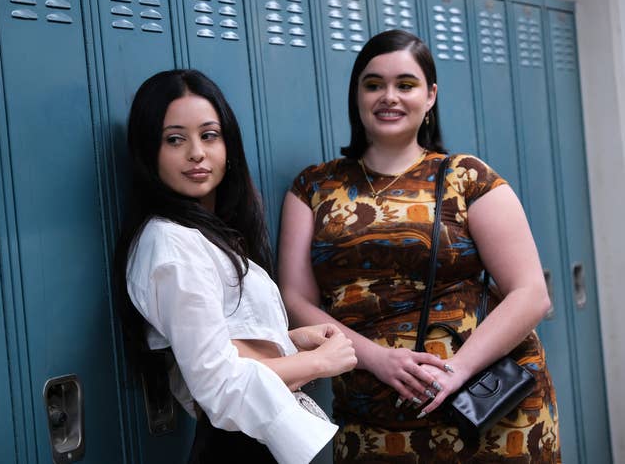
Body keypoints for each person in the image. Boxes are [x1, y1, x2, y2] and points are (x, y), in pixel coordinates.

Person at [278, 30, 560, 462]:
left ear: (429, 96)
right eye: (374, 84)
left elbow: (530, 294)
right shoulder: (314, 187)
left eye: (404, 85)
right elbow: (295, 299)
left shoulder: (467, 177)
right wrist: (374, 358)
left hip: (486, 407)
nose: (388, 96)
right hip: (372, 417)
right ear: (357, 94)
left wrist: (456, 371)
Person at [113, 69, 357, 464]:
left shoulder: (206, 235)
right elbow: (217, 384)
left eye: (209, 135)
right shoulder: (171, 243)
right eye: (175, 139)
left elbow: (222, 345)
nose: (196, 152)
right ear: (149, 152)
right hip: (233, 450)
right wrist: (320, 363)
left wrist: (289, 341)